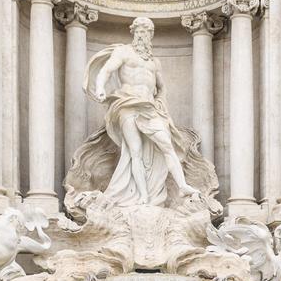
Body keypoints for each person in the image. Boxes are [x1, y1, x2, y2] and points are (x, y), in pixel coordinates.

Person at [82, 16, 208, 208]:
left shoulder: (154, 62)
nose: (143, 35)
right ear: (133, 33)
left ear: (151, 35)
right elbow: (106, 71)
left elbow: (162, 88)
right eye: (140, 31)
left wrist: (161, 103)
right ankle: (143, 196)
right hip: (127, 104)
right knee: (135, 152)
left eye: (147, 32)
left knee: (167, 145)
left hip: (149, 108)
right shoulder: (123, 52)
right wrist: (100, 87)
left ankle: (182, 185)